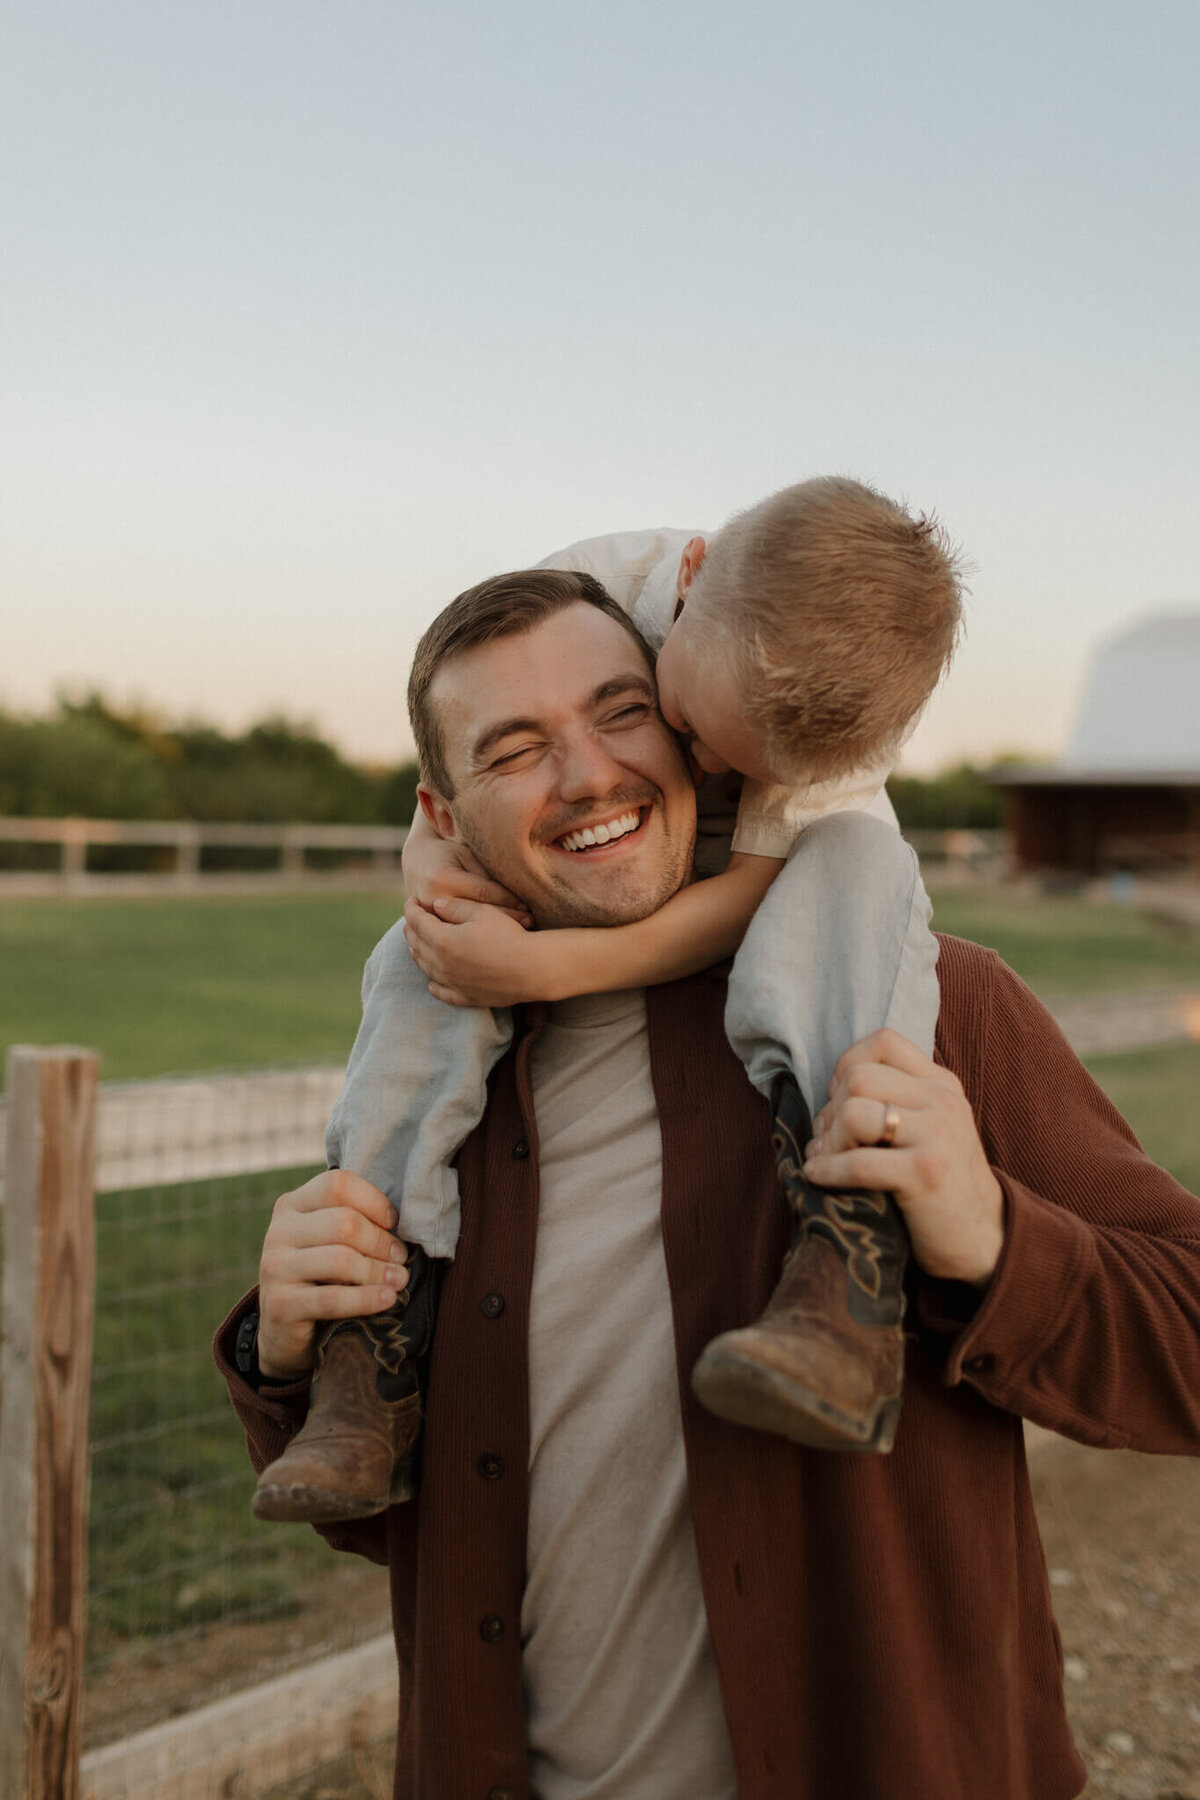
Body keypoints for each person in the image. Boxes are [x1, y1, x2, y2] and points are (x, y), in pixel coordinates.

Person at [216, 578, 1200, 1799]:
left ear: (691, 732)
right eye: (514, 750)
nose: (585, 777)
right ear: (442, 814)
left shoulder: (926, 1006)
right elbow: (399, 1524)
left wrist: (995, 1238)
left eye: (621, 712)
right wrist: (287, 1348)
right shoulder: (430, 1099)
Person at [250, 478, 964, 1526]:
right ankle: (374, 1343)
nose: (710, 764)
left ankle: (847, 1265)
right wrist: (432, 865)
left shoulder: (821, 739)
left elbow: (754, 893)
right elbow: (463, 748)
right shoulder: (587, 596)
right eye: (678, 718)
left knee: (858, 861)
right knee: (419, 954)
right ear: (689, 576)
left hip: (755, 901)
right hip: (573, 878)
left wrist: (544, 972)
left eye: (641, 719)